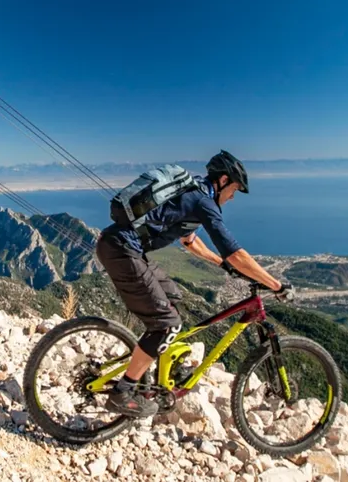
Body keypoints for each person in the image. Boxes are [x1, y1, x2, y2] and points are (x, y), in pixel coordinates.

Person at [96, 149, 292, 417]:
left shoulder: (191, 193)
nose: (233, 196)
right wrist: (275, 285)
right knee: (167, 325)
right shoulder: (203, 201)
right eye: (234, 189)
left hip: (122, 248)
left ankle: (162, 368)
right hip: (122, 251)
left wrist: (221, 265)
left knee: (173, 297)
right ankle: (123, 392)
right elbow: (235, 252)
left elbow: (190, 241)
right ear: (223, 180)